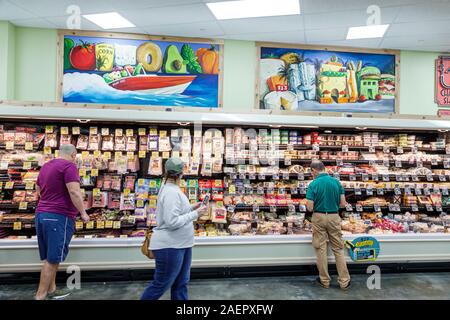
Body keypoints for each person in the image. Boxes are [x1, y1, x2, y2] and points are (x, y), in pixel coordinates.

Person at [141, 157, 208, 300]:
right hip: (170, 246)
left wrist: (192, 207)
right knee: (160, 285)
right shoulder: (171, 192)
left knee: (180, 283)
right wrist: (196, 214)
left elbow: (175, 212)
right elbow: (172, 222)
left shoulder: (170, 189)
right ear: (180, 174)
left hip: (180, 244)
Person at [34, 144, 90, 300]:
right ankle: (40, 296)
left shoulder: (46, 165)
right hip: (59, 216)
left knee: (51, 256)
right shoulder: (69, 166)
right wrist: (83, 213)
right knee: (52, 259)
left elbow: (38, 189)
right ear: (73, 155)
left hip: (41, 214)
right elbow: (74, 191)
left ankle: (51, 290)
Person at [306, 160, 351, 290]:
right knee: (338, 249)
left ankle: (324, 280)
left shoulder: (313, 184)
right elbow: (343, 204)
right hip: (334, 216)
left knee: (321, 249)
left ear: (314, 171)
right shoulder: (336, 182)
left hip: (319, 217)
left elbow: (309, 207)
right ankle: (344, 281)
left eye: (311, 172)